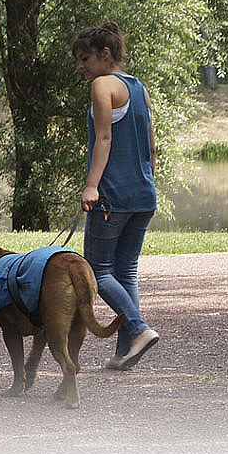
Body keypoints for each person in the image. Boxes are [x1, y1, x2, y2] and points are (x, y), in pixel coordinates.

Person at [72, 21, 160, 370]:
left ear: (105, 54)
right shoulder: (138, 88)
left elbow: (104, 139)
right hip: (143, 194)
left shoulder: (102, 85)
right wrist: (147, 182)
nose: (81, 66)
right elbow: (152, 145)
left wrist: (92, 186)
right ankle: (126, 350)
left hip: (113, 196)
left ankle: (138, 328)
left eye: (84, 58)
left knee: (96, 269)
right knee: (125, 272)